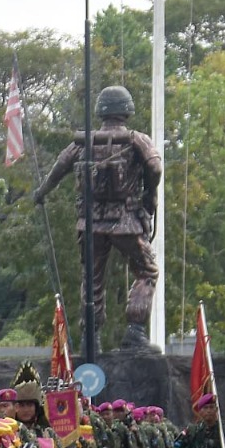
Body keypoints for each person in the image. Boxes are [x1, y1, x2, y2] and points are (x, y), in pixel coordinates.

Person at [31, 85, 162, 351]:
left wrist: (40, 193)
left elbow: (58, 169)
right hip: (126, 220)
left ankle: (91, 337)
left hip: (90, 223)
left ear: (101, 110)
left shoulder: (83, 142)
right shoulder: (136, 139)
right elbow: (155, 167)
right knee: (147, 271)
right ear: (127, 110)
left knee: (92, 279)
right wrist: (150, 193)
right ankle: (135, 332)